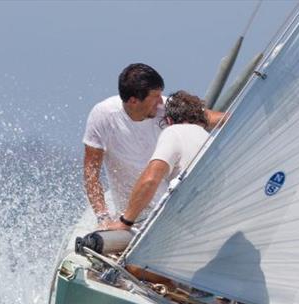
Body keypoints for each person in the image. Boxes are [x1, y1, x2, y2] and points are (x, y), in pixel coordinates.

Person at [83, 64, 223, 228]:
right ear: (134, 101)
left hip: (168, 211)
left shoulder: (167, 108)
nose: (160, 102)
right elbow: (91, 171)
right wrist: (102, 217)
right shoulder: (104, 116)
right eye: (155, 96)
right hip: (128, 216)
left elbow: (217, 118)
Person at [106, 90, 212, 232]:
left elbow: (150, 180)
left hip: (184, 229)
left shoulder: (174, 132)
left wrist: (125, 221)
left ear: (168, 120)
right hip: (208, 225)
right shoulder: (211, 140)